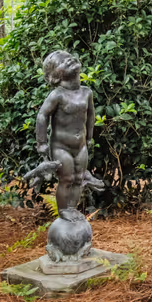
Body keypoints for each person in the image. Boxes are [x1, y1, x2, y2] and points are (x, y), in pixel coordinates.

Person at [22, 50, 103, 218]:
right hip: (61, 147)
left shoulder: (87, 92)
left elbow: (91, 116)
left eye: (69, 57)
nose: (69, 60)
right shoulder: (57, 95)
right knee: (66, 179)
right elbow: (42, 116)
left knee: (78, 179)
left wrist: (89, 138)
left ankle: (72, 209)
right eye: (62, 62)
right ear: (55, 76)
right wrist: (42, 143)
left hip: (80, 146)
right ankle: (64, 212)